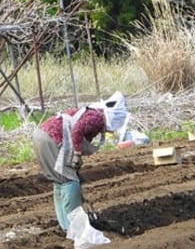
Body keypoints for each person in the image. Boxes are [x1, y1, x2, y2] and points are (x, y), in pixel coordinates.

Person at [32, 91, 128, 233]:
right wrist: (77, 154)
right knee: (70, 182)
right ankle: (75, 227)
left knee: (60, 181)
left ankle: (65, 225)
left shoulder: (91, 113)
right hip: (52, 139)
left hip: (41, 136)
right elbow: (76, 131)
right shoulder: (97, 118)